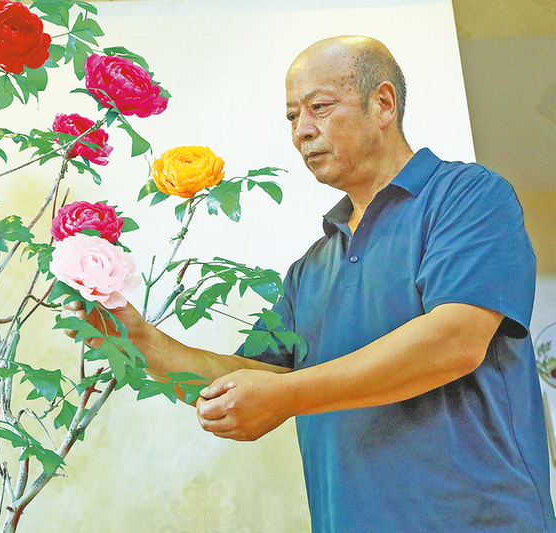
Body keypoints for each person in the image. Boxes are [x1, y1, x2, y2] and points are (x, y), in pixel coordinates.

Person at [67, 35, 556, 532]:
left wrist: (286, 395)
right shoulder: (310, 269)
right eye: (291, 116)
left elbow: (455, 341)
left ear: (383, 104)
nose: (302, 130)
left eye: (319, 107)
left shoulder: (466, 195)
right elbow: (247, 381)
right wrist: (137, 339)